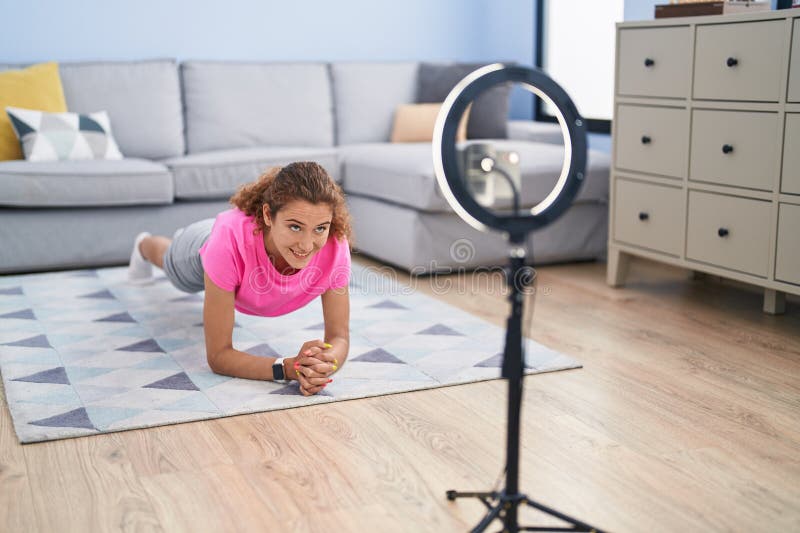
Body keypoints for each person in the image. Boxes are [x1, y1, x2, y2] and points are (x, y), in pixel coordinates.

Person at [127, 162, 351, 397]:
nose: (307, 245)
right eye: (295, 227)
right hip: (201, 247)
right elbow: (218, 357)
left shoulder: (335, 245)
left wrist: (320, 366)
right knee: (170, 263)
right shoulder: (227, 245)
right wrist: (288, 368)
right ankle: (143, 244)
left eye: (319, 228)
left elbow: (339, 337)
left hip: (230, 237)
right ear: (268, 215)